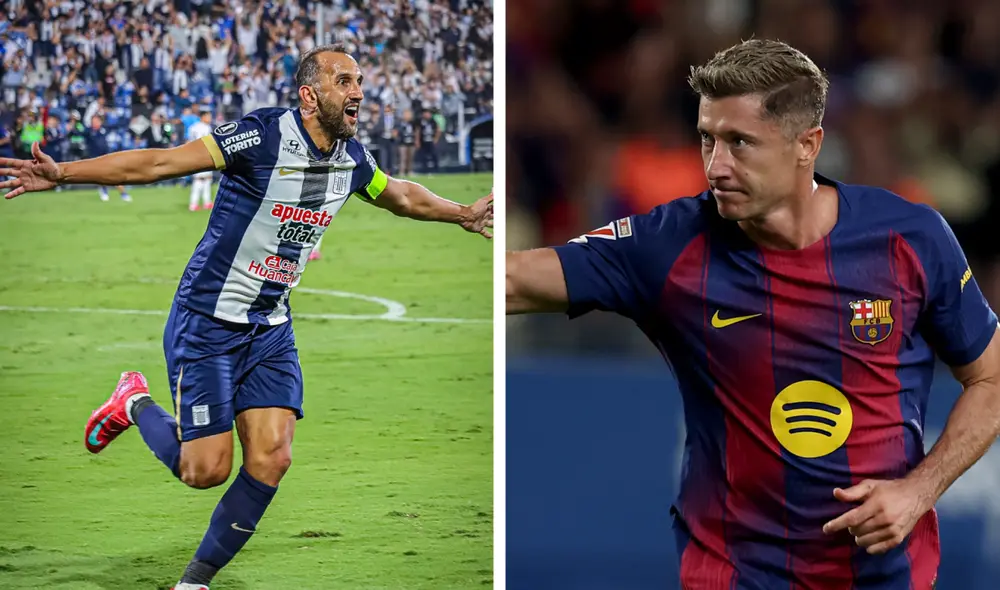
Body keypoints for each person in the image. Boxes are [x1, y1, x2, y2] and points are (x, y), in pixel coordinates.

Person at [505, 39, 1000, 589]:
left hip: (883, 576)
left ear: (807, 145)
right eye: (706, 140)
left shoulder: (910, 238)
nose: (716, 166)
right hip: (733, 574)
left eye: (740, 143)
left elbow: (991, 378)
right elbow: (512, 280)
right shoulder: (669, 245)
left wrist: (918, 490)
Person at [0, 44, 492, 590]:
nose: (358, 92)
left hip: (270, 327)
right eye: (344, 81)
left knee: (272, 457)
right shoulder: (260, 137)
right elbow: (162, 162)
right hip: (208, 320)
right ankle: (132, 401)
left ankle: (193, 582)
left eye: (359, 82)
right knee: (204, 471)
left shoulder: (353, 161)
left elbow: (401, 195)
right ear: (310, 95)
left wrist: (463, 214)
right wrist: (65, 173)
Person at [85, 115, 132, 202]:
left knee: (115, 175)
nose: (95, 123)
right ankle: (104, 191)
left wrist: (128, 119)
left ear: (100, 121)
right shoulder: (88, 131)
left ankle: (123, 194)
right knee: (101, 176)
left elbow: (118, 125)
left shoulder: (105, 129)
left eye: (96, 121)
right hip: (95, 159)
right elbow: (77, 133)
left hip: (107, 156)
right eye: (93, 121)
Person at [185, 109, 215, 211]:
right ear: (203, 117)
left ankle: (207, 202)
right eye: (208, 116)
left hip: (195, 154)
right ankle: (194, 203)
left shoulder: (193, 127)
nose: (210, 119)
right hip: (204, 155)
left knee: (206, 179)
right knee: (200, 180)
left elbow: (188, 141)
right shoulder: (206, 128)